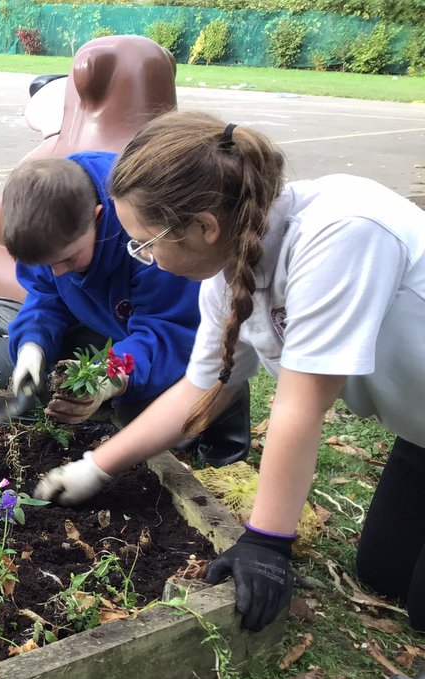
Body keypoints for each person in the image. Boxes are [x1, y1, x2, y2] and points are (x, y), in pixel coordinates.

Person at [33, 110, 425, 635]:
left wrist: (267, 538)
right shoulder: (227, 274)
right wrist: (96, 467)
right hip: (418, 431)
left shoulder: (342, 235)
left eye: (145, 244)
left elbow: (301, 406)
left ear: (203, 226)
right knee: (384, 573)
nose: (143, 260)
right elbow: (202, 391)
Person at [2, 152, 249, 463]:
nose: (59, 273)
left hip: (182, 333)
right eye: (47, 264)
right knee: (99, 385)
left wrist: (109, 377)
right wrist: (31, 345)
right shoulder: (49, 230)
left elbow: (167, 333)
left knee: (187, 391)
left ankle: (221, 451)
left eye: (67, 259)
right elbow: (45, 296)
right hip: (111, 318)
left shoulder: (152, 239)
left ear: (96, 216)